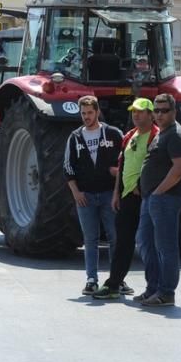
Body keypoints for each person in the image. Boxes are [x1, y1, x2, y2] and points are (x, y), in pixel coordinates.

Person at [93, 98, 159, 299]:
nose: (136, 115)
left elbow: (157, 166)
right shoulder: (130, 136)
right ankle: (114, 284)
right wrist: (116, 193)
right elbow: (122, 166)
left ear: (150, 114)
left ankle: (154, 288)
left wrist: (143, 186)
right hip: (126, 196)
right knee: (123, 242)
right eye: (133, 112)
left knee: (150, 244)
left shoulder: (156, 136)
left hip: (145, 197)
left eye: (140, 112)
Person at [63, 95, 124, 295]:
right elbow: (68, 167)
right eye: (83, 113)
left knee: (116, 237)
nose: (86, 117)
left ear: (97, 112)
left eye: (90, 113)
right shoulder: (75, 137)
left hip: (109, 195)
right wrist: (76, 193)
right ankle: (91, 279)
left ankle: (117, 279)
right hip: (85, 197)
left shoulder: (113, 134)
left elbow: (125, 162)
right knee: (90, 239)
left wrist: (116, 191)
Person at [136, 93, 181, 307]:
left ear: (174, 112)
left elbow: (180, 168)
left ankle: (166, 292)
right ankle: (153, 288)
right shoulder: (163, 133)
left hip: (165, 199)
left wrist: (158, 192)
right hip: (152, 199)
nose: (159, 114)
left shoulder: (176, 135)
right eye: (156, 110)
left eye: (164, 110)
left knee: (165, 247)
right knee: (146, 243)